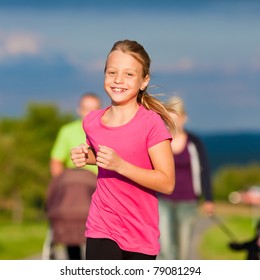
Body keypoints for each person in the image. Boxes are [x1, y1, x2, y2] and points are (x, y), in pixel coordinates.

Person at [70, 39, 176, 260]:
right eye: (112, 72)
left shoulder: (151, 123)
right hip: (101, 225)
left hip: (140, 233)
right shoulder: (91, 121)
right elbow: (106, 157)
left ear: (143, 81)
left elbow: (167, 182)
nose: (118, 80)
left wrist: (121, 166)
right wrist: (86, 156)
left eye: (129, 74)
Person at [158, 96, 214, 260]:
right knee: (166, 247)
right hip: (162, 200)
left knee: (183, 251)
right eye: (169, 119)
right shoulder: (160, 140)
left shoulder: (194, 142)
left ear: (184, 118)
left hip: (188, 201)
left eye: (176, 119)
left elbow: (204, 171)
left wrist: (209, 199)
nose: (173, 124)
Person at [47, 92, 101, 260]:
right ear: (79, 110)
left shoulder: (105, 131)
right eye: (86, 109)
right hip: (73, 188)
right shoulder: (67, 131)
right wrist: (61, 184)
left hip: (98, 186)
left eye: (94, 109)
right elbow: (56, 160)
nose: (90, 113)